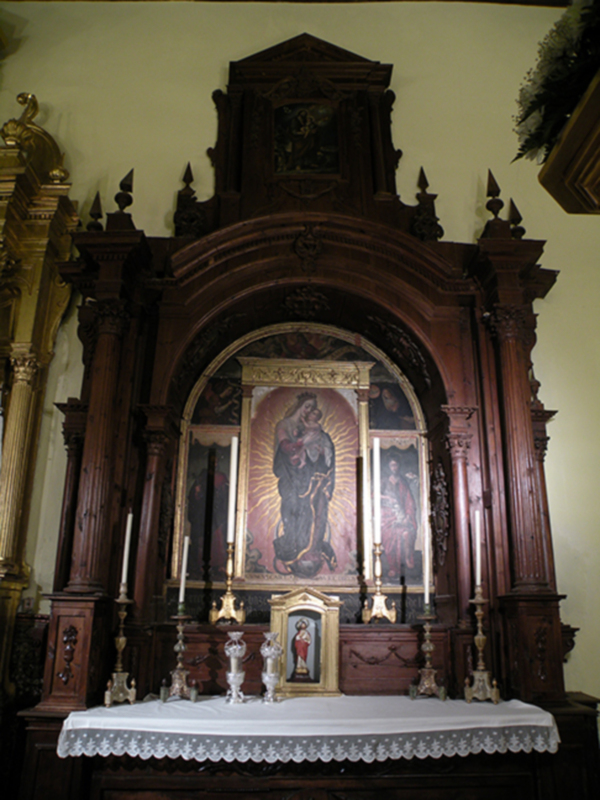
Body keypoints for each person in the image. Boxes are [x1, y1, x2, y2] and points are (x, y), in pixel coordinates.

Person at [272, 393, 336, 578]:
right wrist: (301, 444)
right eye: (307, 406)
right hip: (293, 480)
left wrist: (322, 450)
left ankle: (312, 549)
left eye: (313, 408)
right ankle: (295, 548)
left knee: (317, 511)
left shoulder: (318, 433)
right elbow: (285, 449)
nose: (309, 411)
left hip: (314, 480)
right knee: (295, 511)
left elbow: (326, 455)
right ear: (300, 406)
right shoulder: (286, 425)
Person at [380, 457, 418, 576]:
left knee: (407, 533)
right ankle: (393, 566)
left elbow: (409, 501)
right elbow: (374, 495)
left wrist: (408, 516)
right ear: (388, 467)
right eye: (392, 465)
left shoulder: (403, 482)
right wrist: (388, 498)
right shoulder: (384, 481)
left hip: (400, 514)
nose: (394, 468)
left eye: (396, 465)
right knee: (390, 535)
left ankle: (407, 559)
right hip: (387, 515)